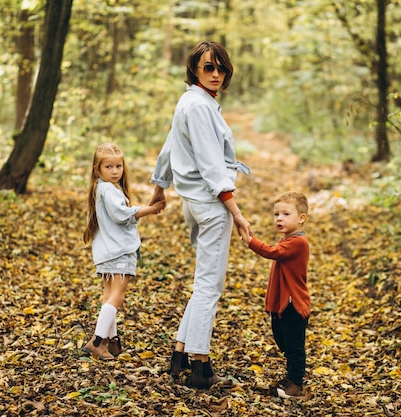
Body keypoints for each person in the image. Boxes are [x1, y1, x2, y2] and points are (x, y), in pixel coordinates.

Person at [149, 40, 252, 389]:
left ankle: (179, 354)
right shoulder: (198, 107)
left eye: (221, 67)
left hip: (194, 203)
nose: (216, 74)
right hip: (210, 205)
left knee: (203, 284)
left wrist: (160, 184)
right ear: (194, 69)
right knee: (210, 286)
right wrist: (236, 212)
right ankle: (200, 365)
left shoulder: (192, 102)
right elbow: (211, 165)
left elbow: (169, 145)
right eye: (209, 67)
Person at [83, 143, 165, 360]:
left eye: (118, 166)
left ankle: (112, 341)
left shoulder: (102, 188)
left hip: (109, 251)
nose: (115, 171)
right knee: (117, 298)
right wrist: (151, 210)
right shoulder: (108, 190)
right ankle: (97, 341)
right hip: (118, 251)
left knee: (109, 295)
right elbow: (122, 215)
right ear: (97, 169)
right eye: (108, 167)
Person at [241, 191, 310, 399]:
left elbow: (273, 252)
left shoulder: (298, 242)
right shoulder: (287, 239)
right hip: (282, 304)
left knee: (294, 345)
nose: (279, 218)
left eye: (286, 214)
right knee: (283, 340)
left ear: (301, 218)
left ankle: (296, 384)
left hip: (293, 304)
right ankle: (291, 377)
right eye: (276, 214)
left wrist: (250, 240)